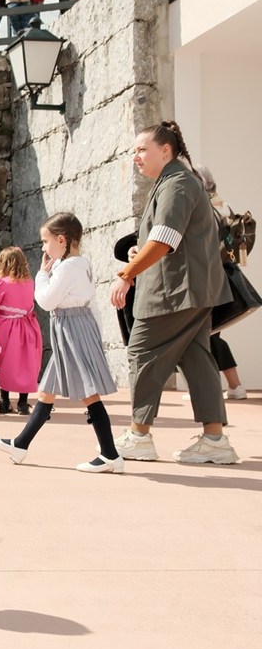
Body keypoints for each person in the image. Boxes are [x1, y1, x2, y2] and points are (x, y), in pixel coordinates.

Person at [108, 121, 237, 464]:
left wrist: (126, 274)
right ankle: (215, 440)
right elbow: (166, 237)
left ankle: (139, 436)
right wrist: (139, 251)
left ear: (165, 151)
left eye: (142, 149)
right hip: (191, 289)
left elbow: (165, 239)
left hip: (174, 291)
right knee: (197, 358)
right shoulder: (178, 180)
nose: (135, 156)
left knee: (142, 352)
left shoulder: (176, 183)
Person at [0, 212, 122, 473]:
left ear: (62, 240)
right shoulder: (77, 264)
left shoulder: (70, 267)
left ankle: (110, 455)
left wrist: (41, 275)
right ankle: (20, 444)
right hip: (71, 328)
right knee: (47, 391)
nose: (43, 248)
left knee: (88, 392)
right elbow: (89, 304)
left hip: (72, 329)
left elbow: (47, 301)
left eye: (45, 241)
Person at [201, 166, 248, 400]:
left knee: (206, 334)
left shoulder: (205, 207)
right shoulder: (222, 205)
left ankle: (229, 387)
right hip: (222, 275)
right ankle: (232, 386)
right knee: (211, 334)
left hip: (208, 277)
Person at [0, 247, 43, 415]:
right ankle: (23, 403)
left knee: (5, 363)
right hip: (28, 326)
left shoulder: (1, 283)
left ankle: (4, 402)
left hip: (7, 327)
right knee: (26, 364)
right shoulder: (29, 282)